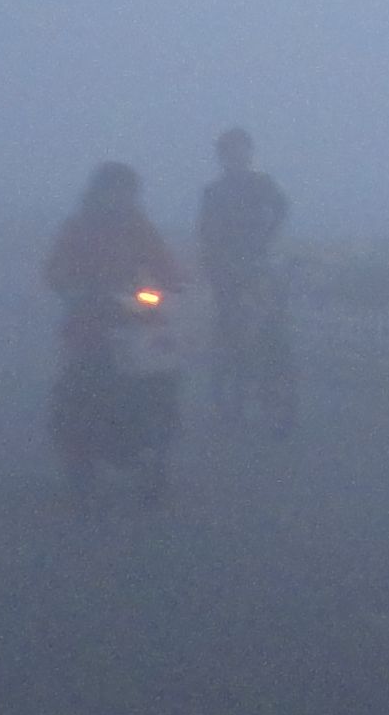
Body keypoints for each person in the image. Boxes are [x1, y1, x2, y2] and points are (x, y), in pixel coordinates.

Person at [43, 162, 183, 500]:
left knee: (164, 368)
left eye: (126, 191)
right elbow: (54, 269)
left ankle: (158, 431)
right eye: (113, 190)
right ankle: (79, 450)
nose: (119, 198)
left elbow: (165, 264)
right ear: (99, 193)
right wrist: (73, 287)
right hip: (90, 320)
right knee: (82, 380)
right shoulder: (78, 227)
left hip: (135, 320)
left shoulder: (140, 228)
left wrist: (175, 281)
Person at [195, 128, 293, 434]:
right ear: (224, 158)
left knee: (274, 324)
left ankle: (275, 386)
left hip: (258, 265)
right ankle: (229, 380)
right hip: (226, 269)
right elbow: (204, 232)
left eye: (243, 151)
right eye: (232, 152)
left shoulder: (263, 184)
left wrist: (266, 238)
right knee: (230, 324)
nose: (239, 157)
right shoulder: (214, 192)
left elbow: (282, 209)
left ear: (249, 153)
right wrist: (216, 258)